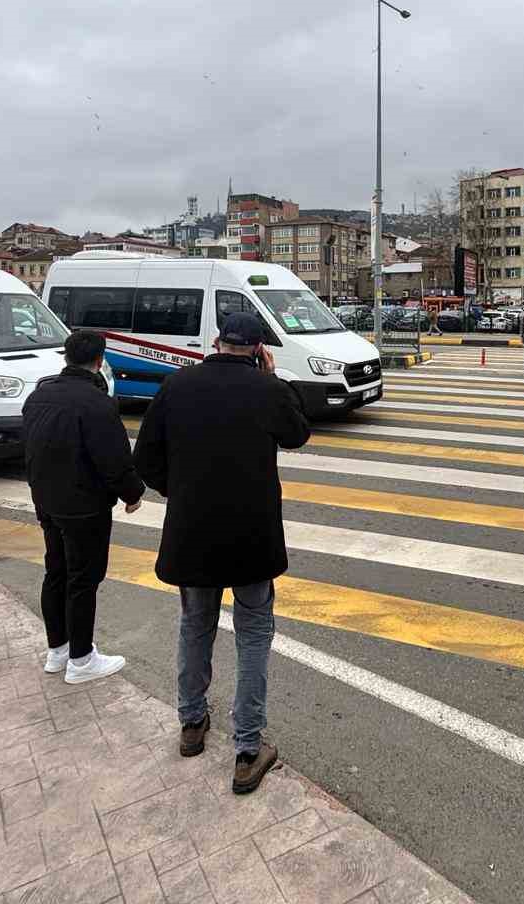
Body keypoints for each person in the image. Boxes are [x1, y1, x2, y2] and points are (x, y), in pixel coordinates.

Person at [137, 311, 311, 795]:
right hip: (251, 537)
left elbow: (145, 458)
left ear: (216, 343)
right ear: (258, 350)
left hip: (193, 534)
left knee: (196, 626)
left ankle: (192, 724)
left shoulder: (177, 386)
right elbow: (297, 434)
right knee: (253, 634)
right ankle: (248, 750)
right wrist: (274, 380)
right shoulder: (267, 389)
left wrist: (179, 491)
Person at [23, 329, 145, 685]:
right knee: (83, 580)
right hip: (84, 506)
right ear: (99, 360)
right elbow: (114, 459)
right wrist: (132, 493)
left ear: (66, 357)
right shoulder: (97, 403)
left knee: (56, 572)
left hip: (47, 500)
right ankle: (81, 659)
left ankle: (57, 650)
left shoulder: (39, 396)